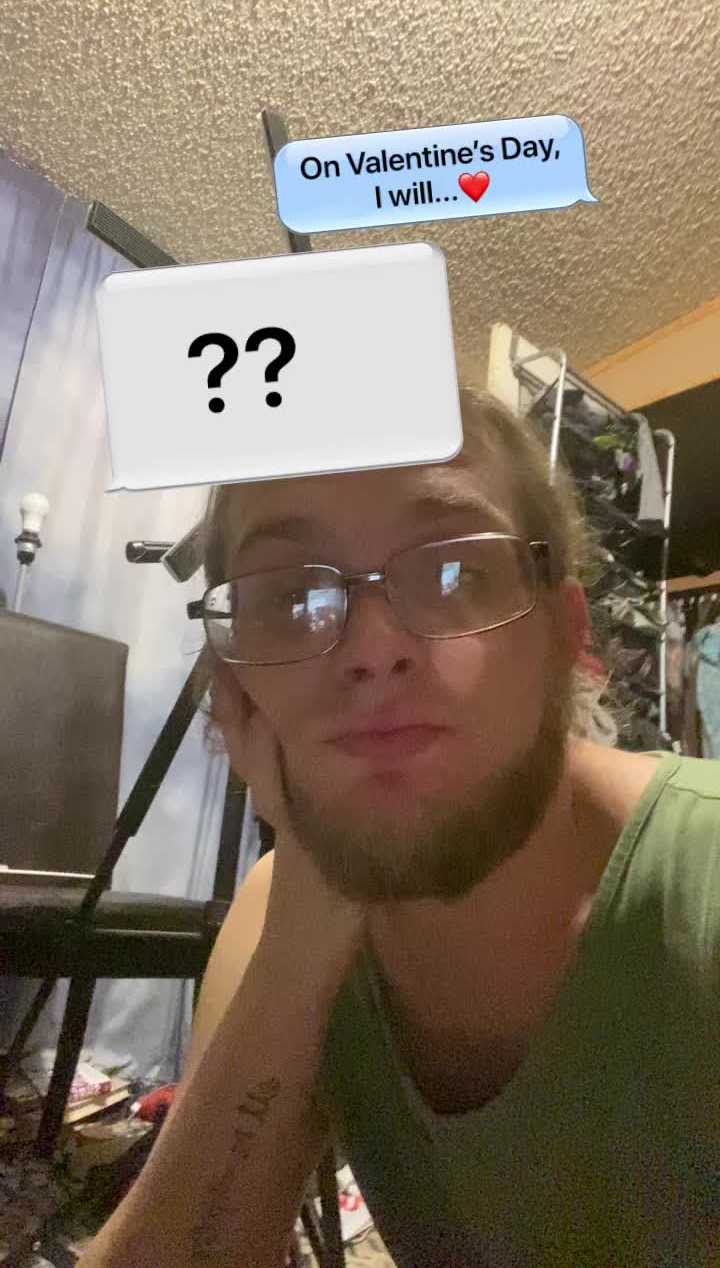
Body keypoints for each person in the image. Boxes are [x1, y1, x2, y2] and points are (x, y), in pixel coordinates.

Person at [78, 386, 720, 1268]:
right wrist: (308, 925)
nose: (373, 648)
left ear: (564, 637)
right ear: (233, 688)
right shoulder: (278, 919)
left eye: (455, 573)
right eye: (291, 596)